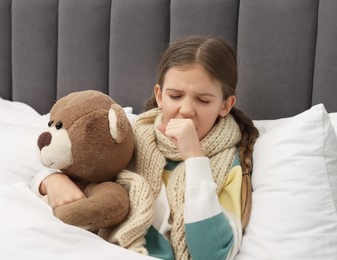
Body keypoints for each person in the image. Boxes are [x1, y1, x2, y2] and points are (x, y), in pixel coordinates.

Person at [32, 36, 259, 260]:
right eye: (175, 96)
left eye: (203, 100)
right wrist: (49, 180)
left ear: (225, 105)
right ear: (160, 96)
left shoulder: (230, 165)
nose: (187, 109)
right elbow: (84, 168)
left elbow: (211, 254)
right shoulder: (131, 136)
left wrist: (195, 158)